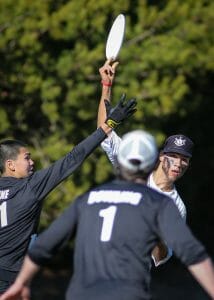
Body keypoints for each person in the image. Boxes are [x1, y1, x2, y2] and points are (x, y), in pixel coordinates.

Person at [0, 129, 214, 300]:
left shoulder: (91, 198)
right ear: (154, 161)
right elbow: (194, 255)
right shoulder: (159, 204)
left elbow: (45, 245)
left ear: (119, 162)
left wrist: (21, 282)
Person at [0, 94, 137, 293]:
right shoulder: (29, 187)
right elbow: (73, 158)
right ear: (10, 165)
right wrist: (110, 124)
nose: (32, 162)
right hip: (8, 282)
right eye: (27, 158)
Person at [97, 59, 194, 265]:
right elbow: (104, 134)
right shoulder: (135, 168)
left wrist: (156, 232)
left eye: (184, 159)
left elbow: (160, 258)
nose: (178, 163)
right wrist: (106, 87)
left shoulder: (177, 207)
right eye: (173, 156)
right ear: (161, 156)